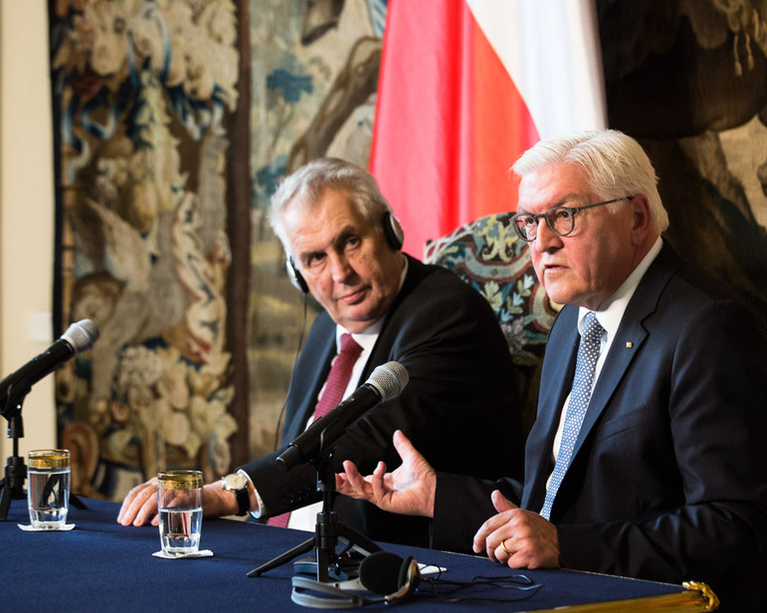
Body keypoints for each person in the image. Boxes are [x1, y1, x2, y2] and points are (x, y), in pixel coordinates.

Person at [337, 130, 767, 611]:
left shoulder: (708, 328)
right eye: (530, 222)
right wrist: (440, 496)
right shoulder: (573, 324)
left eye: (564, 216)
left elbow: (736, 529)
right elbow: (556, 494)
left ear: (637, 217)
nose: (541, 243)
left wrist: (566, 546)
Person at [118, 157, 523, 548]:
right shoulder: (325, 330)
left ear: (389, 230)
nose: (339, 274)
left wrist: (229, 494)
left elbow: (365, 440)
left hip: (399, 566)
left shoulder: (447, 314)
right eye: (314, 259)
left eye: (350, 242)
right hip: (297, 557)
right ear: (298, 275)